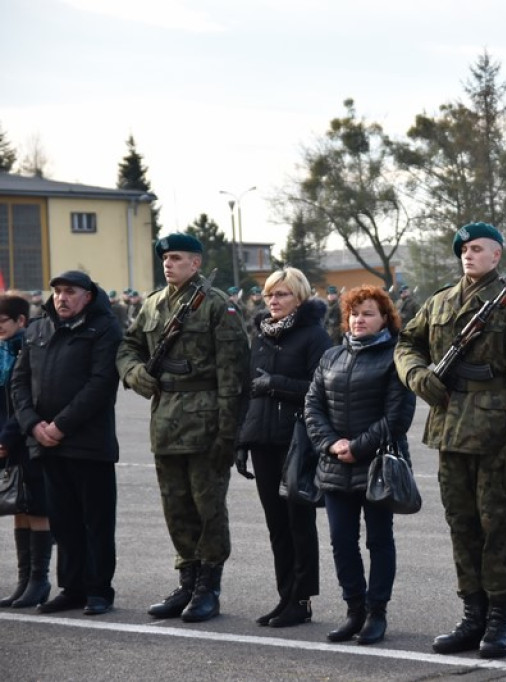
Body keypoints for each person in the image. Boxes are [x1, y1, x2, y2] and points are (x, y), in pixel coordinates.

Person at [394, 221, 506, 659]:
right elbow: (405, 343)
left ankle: (500, 618)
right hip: (449, 429)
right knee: (460, 525)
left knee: (495, 526)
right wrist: (417, 376)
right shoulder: (440, 301)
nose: (468, 254)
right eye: (464, 249)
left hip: (495, 436)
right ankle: (472, 614)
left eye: (478, 248)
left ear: (497, 255)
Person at [117, 233, 249, 623]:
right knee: (175, 506)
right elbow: (127, 347)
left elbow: (234, 375)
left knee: (208, 507)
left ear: (196, 262)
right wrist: (135, 373)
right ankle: (187, 580)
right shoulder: (153, 304)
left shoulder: (217, 305)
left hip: (206, 421)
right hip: (165, 420)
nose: (168, 264)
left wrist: (228, 433)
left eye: (176, 258)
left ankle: (209, 586)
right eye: (165, 258)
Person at [306, 285, 415, 645]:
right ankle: (354, 610)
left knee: (379, 540)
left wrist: (358, 447)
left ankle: (376, 612)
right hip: (335, 464)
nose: (359, 320)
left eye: (368, 313)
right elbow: (313, 406)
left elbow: (397, 416)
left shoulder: (396, 357)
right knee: (341, 541)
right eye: (354, 314)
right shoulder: (331, 356)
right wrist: (331, 443)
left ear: (385, 318)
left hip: (378, 465)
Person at [11, 271, 122, 615]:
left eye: (70, 291)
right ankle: (72, 589)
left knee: (96, 522)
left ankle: (99, 590)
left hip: (88, 444)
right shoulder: (38, 329)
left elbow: (101, 384)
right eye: (58, 291)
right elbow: (19, 382)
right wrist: (33, 425)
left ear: (87, 296)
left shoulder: (104, 328)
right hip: (46, 444)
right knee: (63, 521)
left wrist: (60, 426)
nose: (62, 297)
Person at [235, 267, 331, 628]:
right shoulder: (260, 335)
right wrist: (242, 440)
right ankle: (285, 595)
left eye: (282, 294)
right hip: (263, 440)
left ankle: (301, 600)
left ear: (299, 297)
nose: (273, 301)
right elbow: (249, 391)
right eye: (269, 294)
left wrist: (277, 383)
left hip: (297, 441)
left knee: (298, 523)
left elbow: (321, 388)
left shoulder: (314, 335)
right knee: (276, 524)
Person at [0, 294, 52, 609]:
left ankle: (39, 580)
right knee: (18, 507)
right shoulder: (3, 351)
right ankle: (24, 581)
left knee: (37, 508)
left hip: (26, 438)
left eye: (2, 322)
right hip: (7, 442)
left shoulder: (29, 347)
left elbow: (26, 399)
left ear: (21, 320)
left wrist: (7, 437)